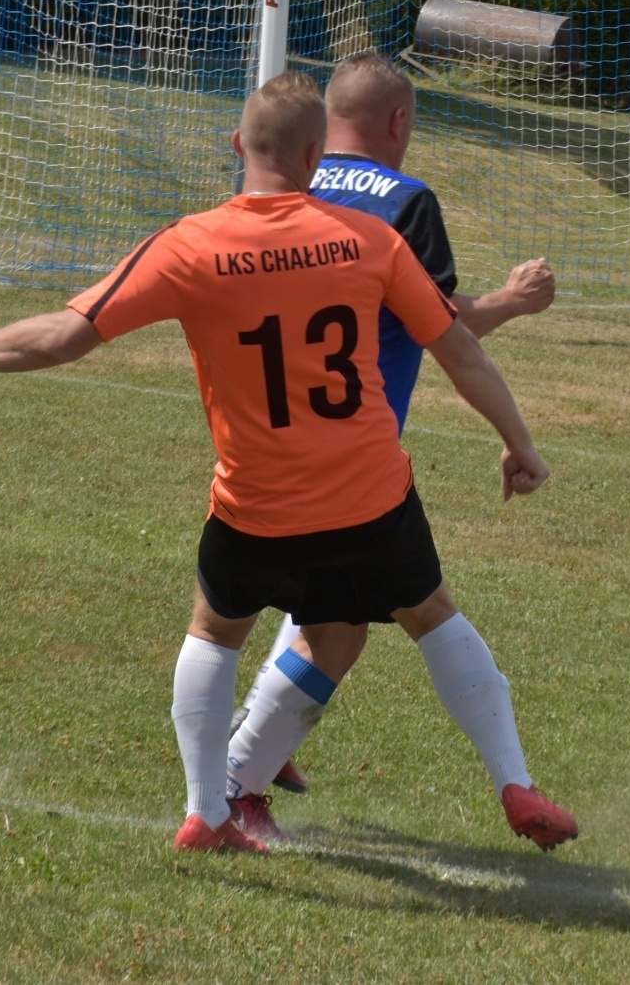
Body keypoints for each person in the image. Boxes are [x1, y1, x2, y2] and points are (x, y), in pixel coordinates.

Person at [0, 69, 577, 855]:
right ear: (315, 154)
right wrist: (521, 445)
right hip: (369, 498)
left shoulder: (190, 246)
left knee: (217, 631)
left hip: (256, 503)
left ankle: (208, 809)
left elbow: (63, 334)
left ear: (239, 144)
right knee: (427, 616)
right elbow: (459, 350)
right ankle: (513, 782)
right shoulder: (372, 239)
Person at [223, 51, 570, 849]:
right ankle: (235, 777)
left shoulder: (278, 181)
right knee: (402, 612)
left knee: (326, 616)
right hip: (353, 454)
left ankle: (254, 759)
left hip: (259, 441)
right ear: (401, 122)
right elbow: (443, 326)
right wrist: (513, 302)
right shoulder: (405, 202)